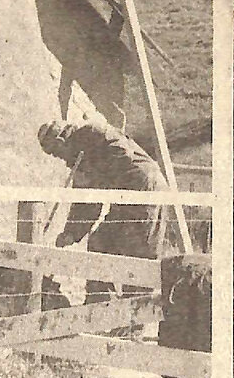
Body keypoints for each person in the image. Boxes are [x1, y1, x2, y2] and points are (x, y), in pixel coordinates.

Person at [37, 118, 170, 300]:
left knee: (138, 254)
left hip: (144, 189)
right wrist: (71, 233)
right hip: (126, 196)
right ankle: (101, 306)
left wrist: (91, 170)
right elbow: (88, 203)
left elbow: (121, 155)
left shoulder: (93, 133)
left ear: (61, 142)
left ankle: (133, 319)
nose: (60, 159)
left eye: (56, 153)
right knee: (100, 242)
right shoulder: (79, 156)